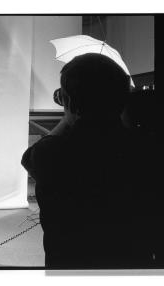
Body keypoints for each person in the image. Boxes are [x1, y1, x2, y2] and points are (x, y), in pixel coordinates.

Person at [21, 53, 161, 269]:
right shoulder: (146, 149)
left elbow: (30, 157)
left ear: (70, 102)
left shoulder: (52, 153)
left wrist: (70, 115)